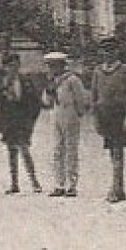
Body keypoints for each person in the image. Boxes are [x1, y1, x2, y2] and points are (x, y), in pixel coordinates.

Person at [90, 37, 126, 203]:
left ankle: (115, 189)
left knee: (118, 152)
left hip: (118, 115)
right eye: (105, 51)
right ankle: (120, 188)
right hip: (105, 116)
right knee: (112, 152)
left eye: (111, 50)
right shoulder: (98, 71)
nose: (108, 54)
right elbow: (94, 95)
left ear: (116, 52)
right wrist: (95, 117)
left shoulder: (125, 70)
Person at [0, 50, 43, 194]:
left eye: (15, 65)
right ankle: (14, 183)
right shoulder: (2, 81)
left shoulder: (25, 81)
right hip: (8, 121)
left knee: (24, 149)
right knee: (11, 151)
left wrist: (31, 119)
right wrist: (4, 90)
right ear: (5, 67)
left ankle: (34, 181)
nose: (12, 69)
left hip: (22, 120)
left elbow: (35, 101)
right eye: (9, 66)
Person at [42, 51, 89, 198]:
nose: (51, 69)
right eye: (49, 66)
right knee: (57, 149)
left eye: (53, 66)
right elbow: (46, 102)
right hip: (56, 115)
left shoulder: (72, 80)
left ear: (61, 65)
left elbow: (81, 99)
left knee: (70, 149)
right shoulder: (53, 81)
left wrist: (79, 113)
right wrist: (49, 92)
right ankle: (59, 183)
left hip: (70, 114)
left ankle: (71, 184)